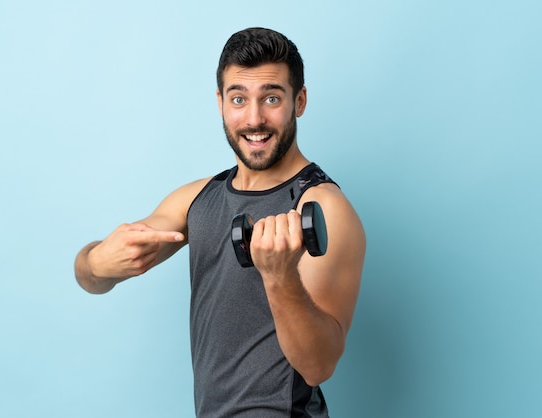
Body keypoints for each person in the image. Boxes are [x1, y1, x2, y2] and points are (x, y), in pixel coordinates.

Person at [74, 27, 366, 417]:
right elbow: (89, 279)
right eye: (239, 99)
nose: (254, 119)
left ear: (300, 101)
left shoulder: (323, 206)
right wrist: (97, 263)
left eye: (272, 98)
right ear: (220, 102)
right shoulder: (197, 199)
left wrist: (279, 277)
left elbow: (318, 366)